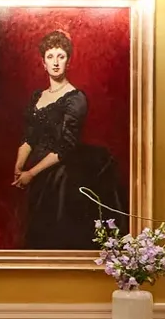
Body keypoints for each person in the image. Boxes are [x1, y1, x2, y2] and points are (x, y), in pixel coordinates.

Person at [12, 29, 123, 249]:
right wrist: (18, 167)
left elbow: (65, 147)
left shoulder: (76, 98)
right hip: (34, 172)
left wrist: (31, 173)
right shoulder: (37, 97)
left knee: (57, 232)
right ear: (43, 62)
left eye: (61, 56)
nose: (55, 63)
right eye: (50, 57)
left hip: (61, 176)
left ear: (68, 61)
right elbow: (29, 137)